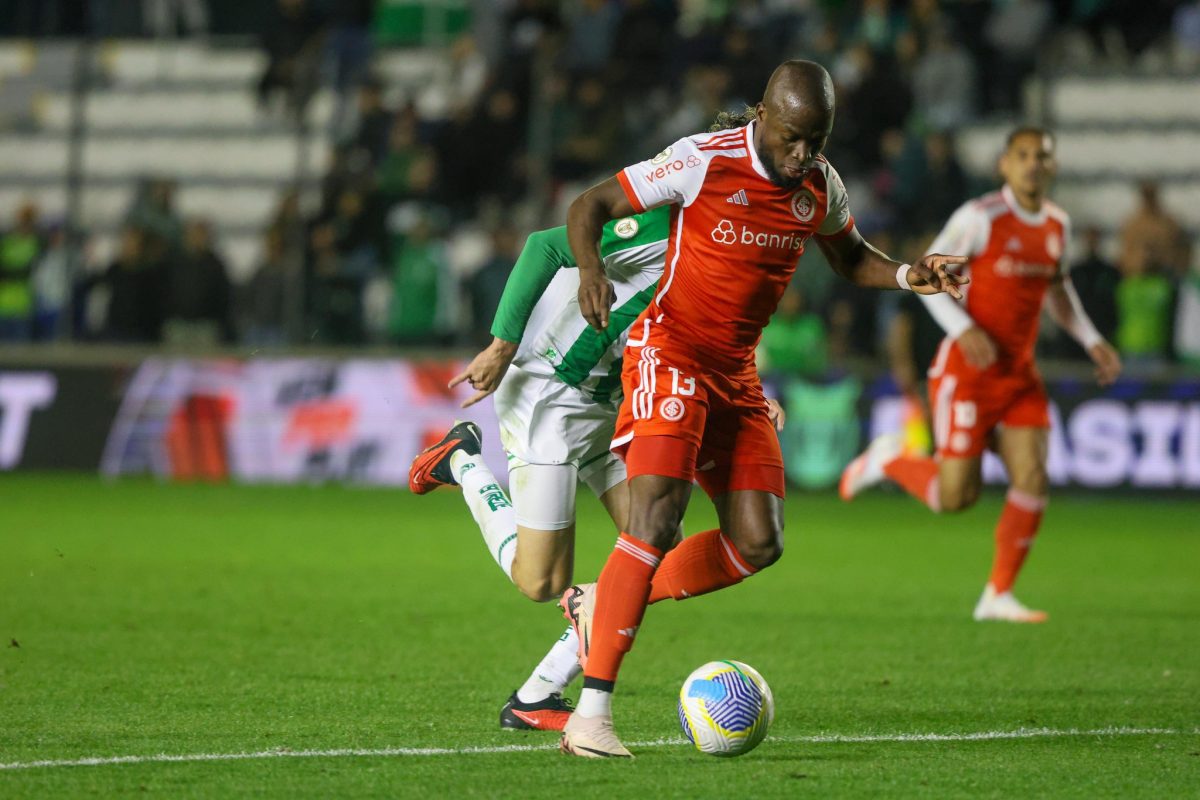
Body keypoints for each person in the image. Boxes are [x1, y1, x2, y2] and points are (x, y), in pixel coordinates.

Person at [556, 60, 966, 758]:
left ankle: (608, 597)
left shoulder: (820, 184)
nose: (802, 154)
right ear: (761, 115)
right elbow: (588, 205)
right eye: (793, 137)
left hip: (737, 376)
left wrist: (908, 274)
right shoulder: (701, 160)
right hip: (671, 351)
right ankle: (589, 718)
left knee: (757, 543)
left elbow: (849, 256)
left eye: (817, 139)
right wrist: (591, 268)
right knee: (655, 517)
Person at [407, 199, 785, 732]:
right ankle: (462, 462)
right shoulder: (662, 224)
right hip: (551, 393)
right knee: (541, 581)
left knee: (656, 545)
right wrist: (501, 346)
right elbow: (544, 244)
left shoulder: (735, 250)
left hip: (620, 402)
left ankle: (537, 696)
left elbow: (719, 340)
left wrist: (752, 395)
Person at [840, 127, 1122, 623]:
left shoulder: (1057, 225)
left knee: (1033, 475)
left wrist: (1092, 338)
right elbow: (929, 271)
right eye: (1024, 156)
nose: (1034, 164)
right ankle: (889, 461)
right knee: (955, 498)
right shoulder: (980, 218)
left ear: (1052, 167)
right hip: (966, 373)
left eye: (1042, 157)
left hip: (1018, 376)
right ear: (1005, 165)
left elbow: (1059, 291)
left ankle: (997, 594)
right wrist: (964, 326)